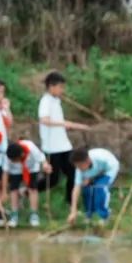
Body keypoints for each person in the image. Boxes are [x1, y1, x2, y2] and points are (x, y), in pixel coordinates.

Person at [38, 72, 89, 205]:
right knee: (53, 179)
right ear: (51, 87)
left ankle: (70, 201)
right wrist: (66, 124)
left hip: (64, 145)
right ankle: (30, 190)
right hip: (51, 147)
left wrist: (75, 126)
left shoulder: (56, 101)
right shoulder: (45, 101)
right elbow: (44, 120)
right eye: (60, 87)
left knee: (73, 172)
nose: (62, 90)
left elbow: (58, 121)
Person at [68, 146, 121, 224]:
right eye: (76, 166)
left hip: (108, 170)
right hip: (94, 173)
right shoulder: (79, 170)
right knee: (86, 189)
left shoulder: (101, 158)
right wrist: (73, 211)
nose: (79, 168)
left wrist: (92, 178)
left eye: (80, 165)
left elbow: (108, 168)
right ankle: (89, 214)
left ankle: (104, 215)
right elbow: (76, 188)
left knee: (100, 187)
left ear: (87, 161)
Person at [5, 138, 50, 228]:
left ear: (21, 155)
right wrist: (4, 188)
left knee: (32, 189)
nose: (13, 161)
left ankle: (34, 215)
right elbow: (5, 172)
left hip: (31, 169)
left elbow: (42, 159)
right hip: (15, 171)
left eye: (15, 160)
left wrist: (45, 165)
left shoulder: (31, 148)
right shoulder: (8, 155)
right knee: (13, 190)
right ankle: (14, 215)